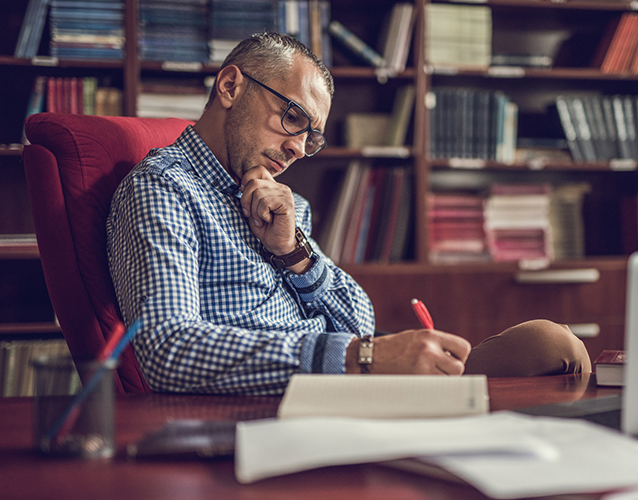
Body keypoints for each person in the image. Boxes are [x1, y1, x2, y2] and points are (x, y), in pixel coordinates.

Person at [107, 32, 590, 395]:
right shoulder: (165, 188)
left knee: (553, 347)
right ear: (232, 86)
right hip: (291, 403)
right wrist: (359, 358)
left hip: (350, 382)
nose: (297, 147)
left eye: (311, 136)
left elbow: (359, 316)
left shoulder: (277, 202)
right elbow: (168, 351)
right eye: (291, 116)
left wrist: (293, 253)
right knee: (550, 354)